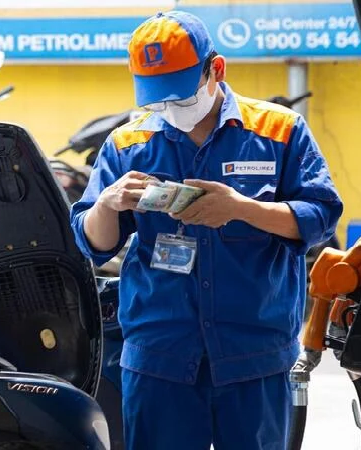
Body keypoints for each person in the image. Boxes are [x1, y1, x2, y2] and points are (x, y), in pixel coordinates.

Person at [70, 11, 343, 450]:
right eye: (157, 98)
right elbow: (93, 244)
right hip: (159, 359)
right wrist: (106, 203)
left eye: (179, 95)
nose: (169, 108)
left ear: (215, 69)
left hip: (254, 357)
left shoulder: (279, 131)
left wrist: (242, 209)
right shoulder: (127, 144)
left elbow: (322, 216)